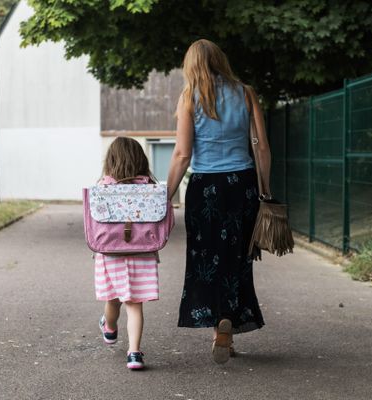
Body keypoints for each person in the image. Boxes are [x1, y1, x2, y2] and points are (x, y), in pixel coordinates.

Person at [166, 39, 272, 364]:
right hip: (242, 185)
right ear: (220, 60)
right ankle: (227, 323)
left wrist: (165, 197)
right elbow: (262, 148)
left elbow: (183, 154)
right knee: (237, 258)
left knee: (207, 260)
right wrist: (265, 191)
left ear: (191, 65)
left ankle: (219, 324)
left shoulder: (190, 97)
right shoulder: (246, 92)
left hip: (206, 188)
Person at [94, 136, 160, 370]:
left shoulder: (104, 187)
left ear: (111, 160)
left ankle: (109, 327)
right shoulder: (150, 188)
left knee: (113, 298)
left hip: (111, 251)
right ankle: (134, 353)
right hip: (142, 251)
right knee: (134, 303)